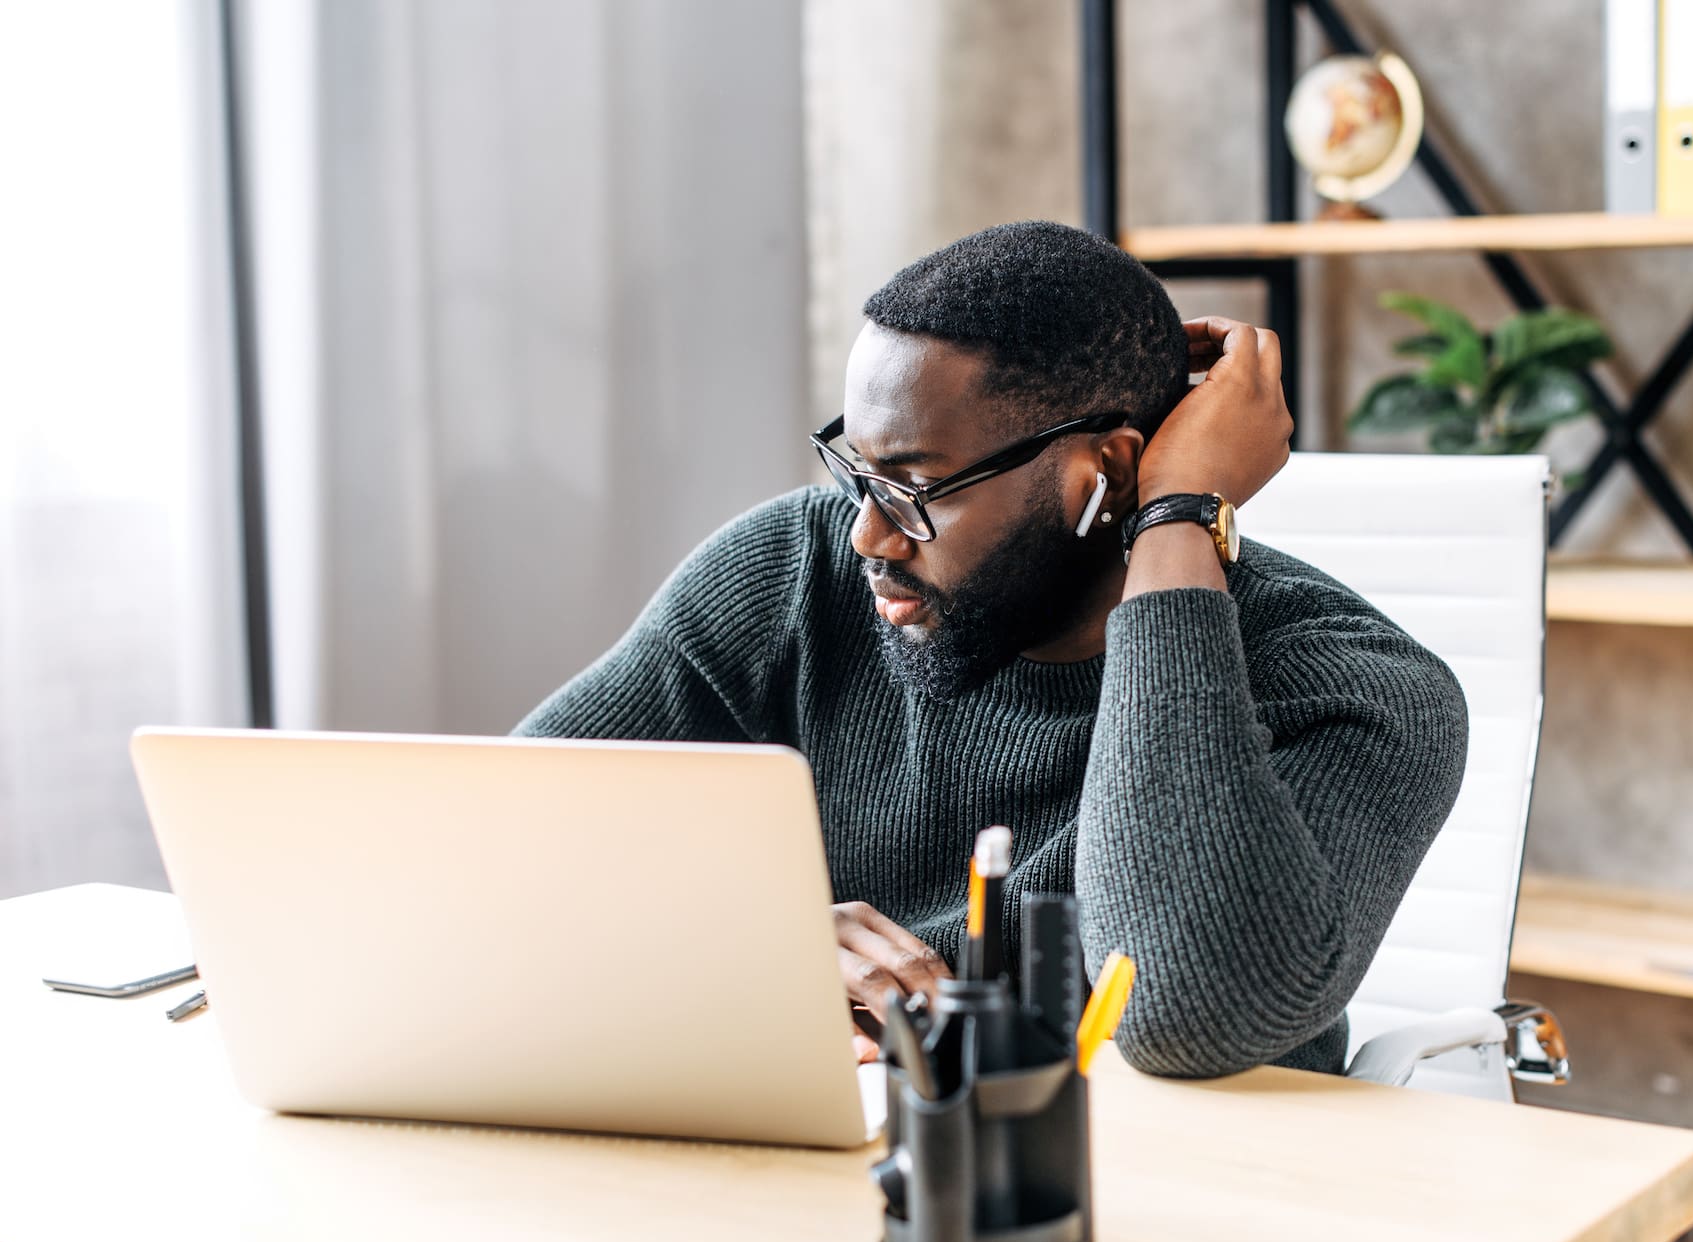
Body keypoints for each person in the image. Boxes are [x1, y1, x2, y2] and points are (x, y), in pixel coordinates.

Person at [516, 220, 1468, 1078]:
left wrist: (1177, 520)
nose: (868, 538)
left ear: (1108, 470)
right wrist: (748, 940)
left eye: (916, 490)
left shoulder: (1358, 687)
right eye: (859, 470)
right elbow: (489, 849)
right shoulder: (789, 576)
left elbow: (1182, 1013)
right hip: (857, 1181)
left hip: (1201, 1214)